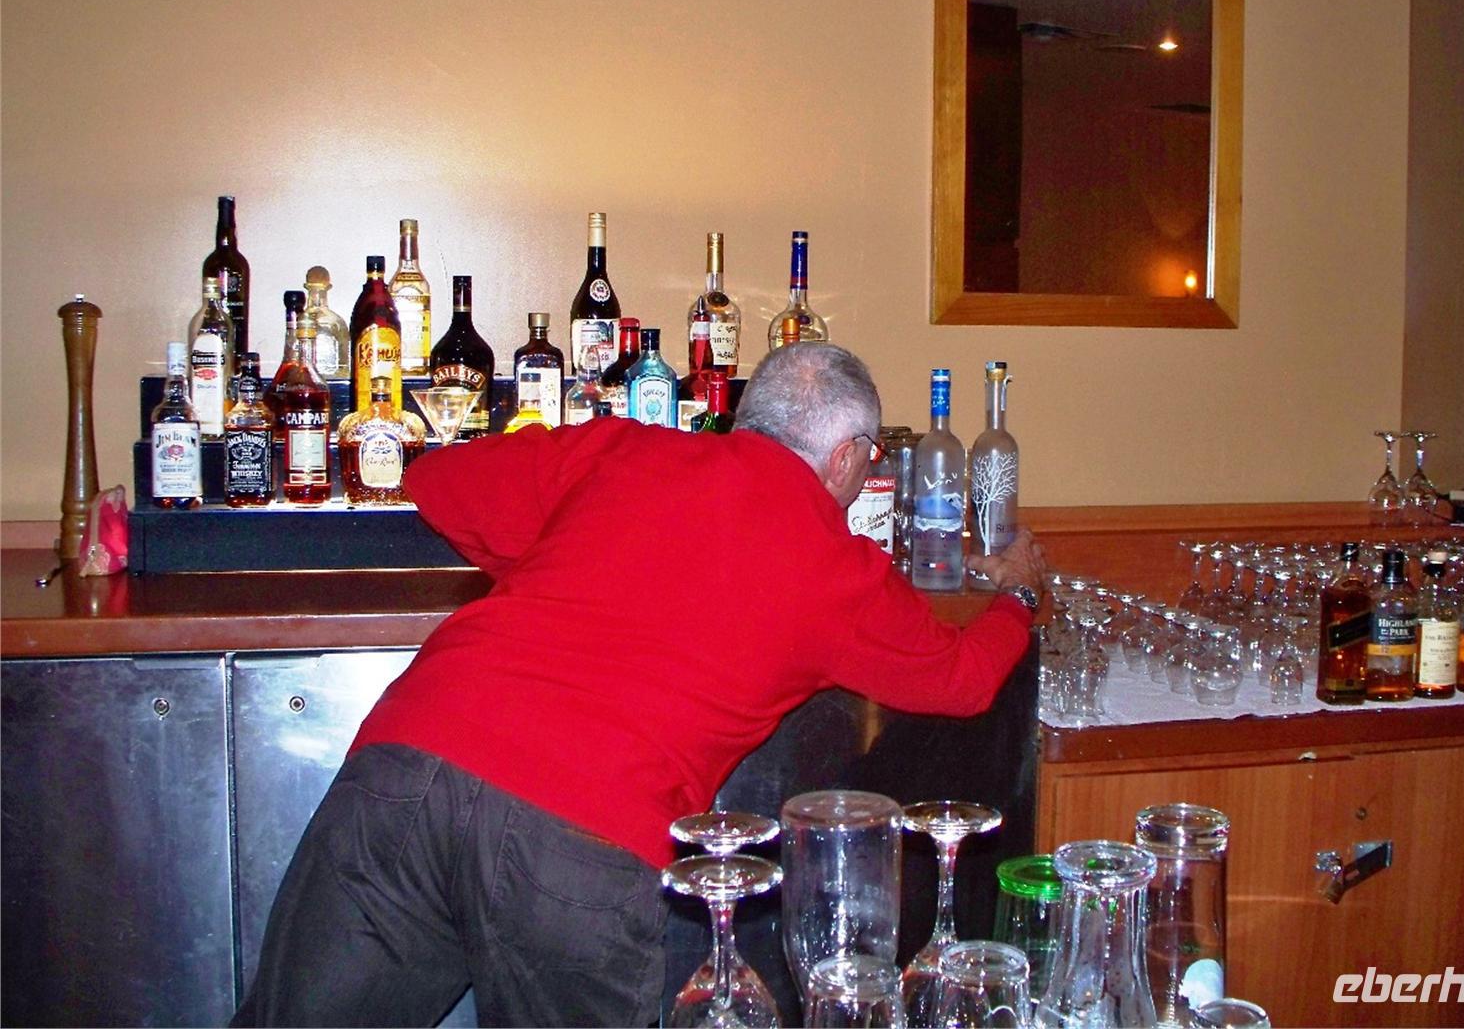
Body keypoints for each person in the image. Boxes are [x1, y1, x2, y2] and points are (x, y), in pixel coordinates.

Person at [234, 342, 1050, 1028]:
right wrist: (1016, 596)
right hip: (582, 835)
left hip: (408, 761)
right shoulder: (835, 567)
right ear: (845, 458)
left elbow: (442, 483)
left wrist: (568, 566)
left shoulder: (621, 448)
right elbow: (963, 681)